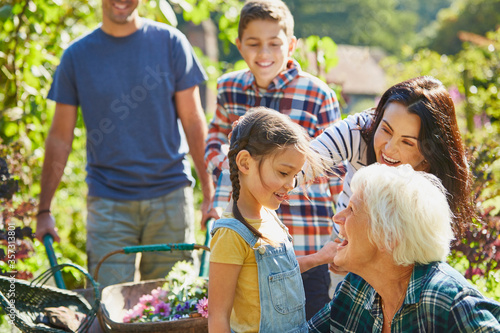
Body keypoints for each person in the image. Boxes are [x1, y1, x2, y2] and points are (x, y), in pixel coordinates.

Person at [35, 0, 214, 287]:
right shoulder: (77, 56)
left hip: (169, 196)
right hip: (109, 202)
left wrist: (210, 193)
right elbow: (59, 137)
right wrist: (44, 210)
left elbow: (193, 121)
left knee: (171, 307)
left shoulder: (170, 43)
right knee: (108, 309)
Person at [205, 0, 343, 318]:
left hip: (304, 236)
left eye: (274, 44)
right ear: (240, 45)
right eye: (253, 44)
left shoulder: (317, 95)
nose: (263, 53)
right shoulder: (230, 88)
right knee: (248, 316)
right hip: (247, 237)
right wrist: (229, 175)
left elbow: (335, 167)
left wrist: (342, 235)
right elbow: (214, 139)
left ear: (291, 45)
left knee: (306, 316)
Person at [307, 163, 500, 332]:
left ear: (388, 235)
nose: (337, 217)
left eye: (352, 210)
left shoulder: (450, 303)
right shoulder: (355, 288)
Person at [208, 108, 338, 333]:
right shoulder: (231, 234)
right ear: (246, 163)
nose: (290, 185)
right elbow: (217, 317)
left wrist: (319, 258)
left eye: (295, 175)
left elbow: (276, 277)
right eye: (283, 173)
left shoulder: (270, 217)